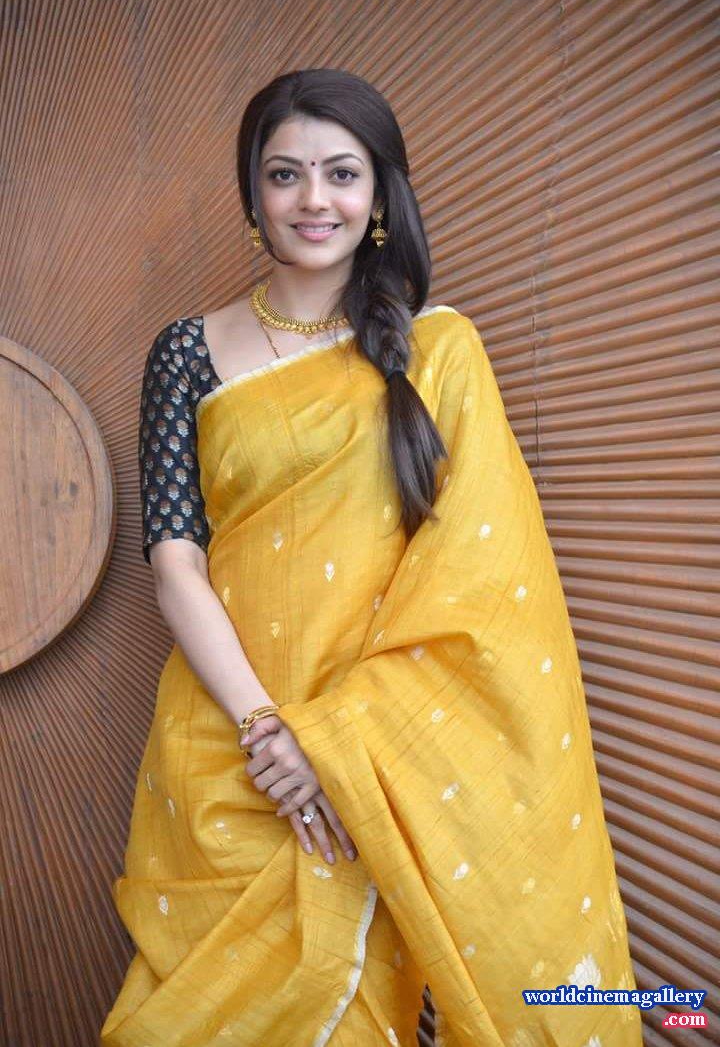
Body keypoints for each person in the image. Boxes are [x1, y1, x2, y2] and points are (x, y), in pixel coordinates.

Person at [100, 68, 643, 1047]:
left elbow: (479, 584)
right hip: (226, 745)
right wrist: (268, 732)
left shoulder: (439, 353)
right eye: (285, 174)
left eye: (342, 173)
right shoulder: (185, 351)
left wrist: (329, 743)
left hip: (370, 758)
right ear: (253, 192)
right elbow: (175, 561)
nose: (314, 199)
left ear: (380, 193)